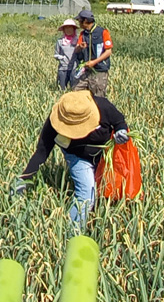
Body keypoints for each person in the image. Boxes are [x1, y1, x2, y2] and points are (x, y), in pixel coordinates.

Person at [12, 89, 129, 228]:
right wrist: (24, 179)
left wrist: (121, 132)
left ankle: (98, 222)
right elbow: (41, 153)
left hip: (105, 154)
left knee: (110, 189)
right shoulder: (55, 121)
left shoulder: (103, 106)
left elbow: (119, 121)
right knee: (86, 195)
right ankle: (71, 233)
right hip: (77, 157)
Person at [73, 9, 113, 95]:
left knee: (99, 97)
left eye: (80, 20)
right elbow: (76, 49)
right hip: (86, 70)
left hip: (99, 71)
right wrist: (80, 47)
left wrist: (94, 62)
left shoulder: (103, 32)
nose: (78, 23)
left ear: (86, 21)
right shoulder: (83, 34)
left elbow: (108, 51)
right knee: (75, 92)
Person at [54, 18, 80, 89]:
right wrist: (62, 58)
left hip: (74, 68)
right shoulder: (60, 41)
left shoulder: (78, 41)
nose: (68, 30)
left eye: (70, 28)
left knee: (74, 89)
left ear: (74, 29)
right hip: (63, 68)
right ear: (64, 30)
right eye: (66, 28)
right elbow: (56, 54)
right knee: (61, 88)